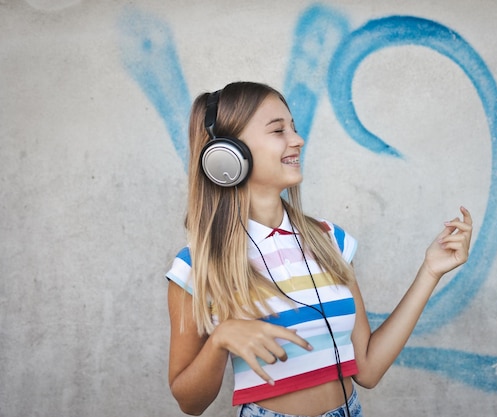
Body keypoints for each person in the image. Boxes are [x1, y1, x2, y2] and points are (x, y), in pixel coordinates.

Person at [165, 81, 473, 417]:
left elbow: (367, 368)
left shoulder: (329, 239)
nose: (297, 139)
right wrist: (220, 338)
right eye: (278, 130)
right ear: (226, 154)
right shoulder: (197, 266)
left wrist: (429, 272)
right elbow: (189, 402)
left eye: (293, 128)